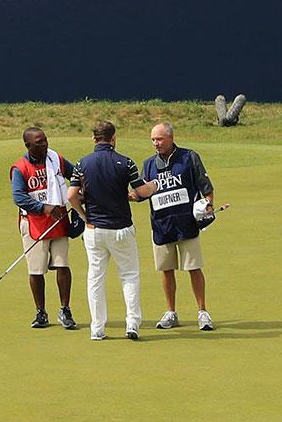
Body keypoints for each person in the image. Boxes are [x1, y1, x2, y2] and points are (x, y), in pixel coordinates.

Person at [65, 118, 147, 341]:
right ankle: (132, 324)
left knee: (96, 278)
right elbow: (141, 191)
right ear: (114, 138)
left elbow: (72, 196)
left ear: (94, 138)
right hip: (121, 229)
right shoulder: (126, 162)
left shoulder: (82, 164)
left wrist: (84, 217)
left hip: (94, 230)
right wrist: (153, 187)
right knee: (129, 275)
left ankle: (97, 329)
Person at [143, 122, 216, 331]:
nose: (156, 143)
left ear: (171, 137)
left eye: (159, 139)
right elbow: (142, 191)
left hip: (187, 225)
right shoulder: (149, 165)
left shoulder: (189, 157)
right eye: (153, 140)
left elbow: (206, 188)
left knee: (194, 268)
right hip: (161, 226)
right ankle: (171, 312)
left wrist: (207, 205)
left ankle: (202, 312)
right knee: (166, 270)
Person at [9, 126, 79, 330]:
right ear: (28, 145)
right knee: (36, 270)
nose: (45, 144)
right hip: (34, 224)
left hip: (59, 220)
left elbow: (76, 176)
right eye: (39, 142)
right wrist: (44, 208)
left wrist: (78, 196)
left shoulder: (56, 159)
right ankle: (41, 312)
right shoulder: (20, 168)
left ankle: (65, 310)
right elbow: (19, 197)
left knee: (62, 265)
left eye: (45, 140)